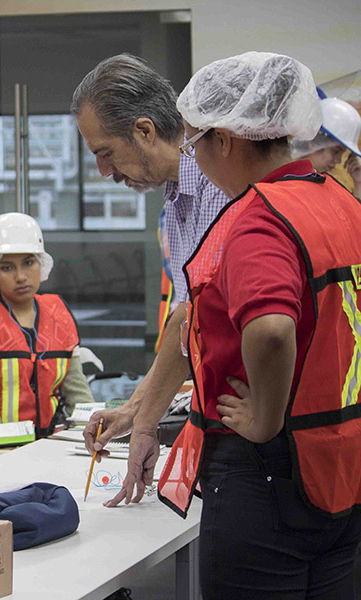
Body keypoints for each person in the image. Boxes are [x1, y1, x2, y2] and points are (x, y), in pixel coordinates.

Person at [120, 51, 361, 598]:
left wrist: (265, 416)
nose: (195, 161)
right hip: (339, 464)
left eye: (195, 145)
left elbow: (272, 328)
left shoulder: (260, 220)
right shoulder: (341, 203)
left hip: (266, 474)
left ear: (224, 139)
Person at [71, 54, 230, 457]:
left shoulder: (219, 186)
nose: (104, 171)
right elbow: (184, 323)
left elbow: (195, 313)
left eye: (105, 152)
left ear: (144, 130)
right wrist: (134, 411)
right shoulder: (175, 200)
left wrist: (143, 422)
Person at [0, 212, 92, 437]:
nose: (21, 276)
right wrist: (4, 440)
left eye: (28, 263)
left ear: (41, 265)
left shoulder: (59, 314)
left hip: (48, 442)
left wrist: (91, 431)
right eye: (7, 267)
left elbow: (76, 390)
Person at [290, 96, 361, 199]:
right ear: (313, 143)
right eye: (336, 151)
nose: (338, 160)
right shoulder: (285, 182)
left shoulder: (323, 182)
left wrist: (358, 183)